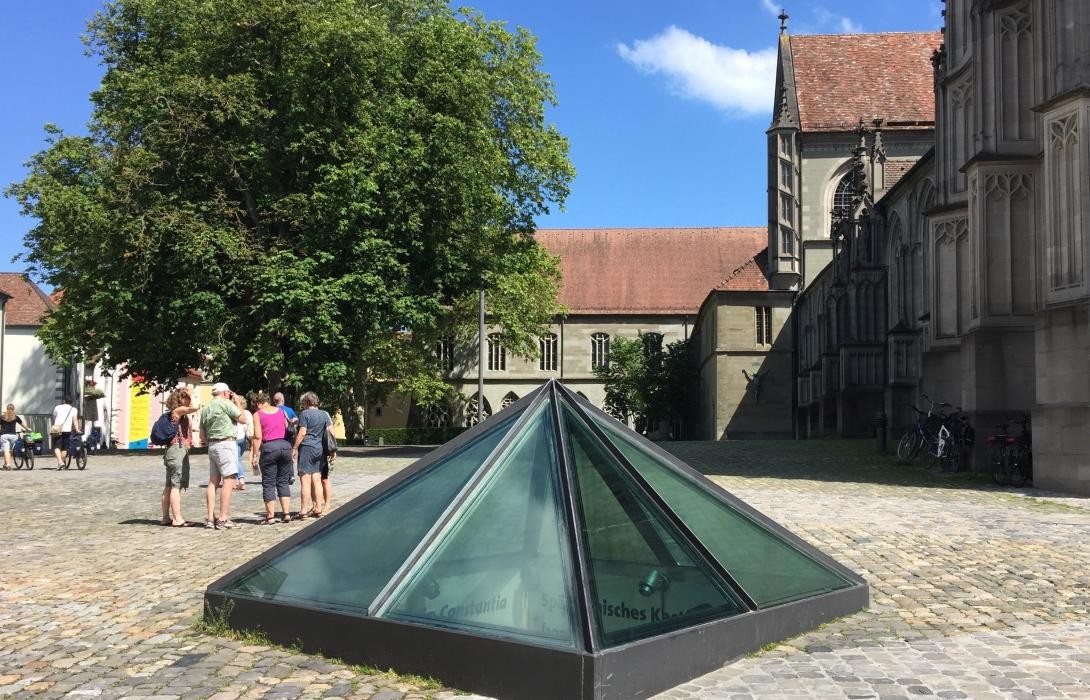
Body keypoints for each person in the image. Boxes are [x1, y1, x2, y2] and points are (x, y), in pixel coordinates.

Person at [199, 382, 249, 529]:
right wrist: (238, 402)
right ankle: (223, 518)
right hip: (226, 444)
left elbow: (202, 435)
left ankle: (210, 518)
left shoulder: (206, 408)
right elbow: (243, 419)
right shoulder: (226, 404)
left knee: (213, 481)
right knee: (229, 480)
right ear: (226, 392)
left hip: (212, 445)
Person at [250, 392, 293, 523]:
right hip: (285, 447)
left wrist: (255, 455)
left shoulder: (257, 415)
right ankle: (286, 514)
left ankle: (270, 516)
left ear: (258, 403)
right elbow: (287, 428)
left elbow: (258, 437)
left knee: (268, 482)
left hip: (269, 448)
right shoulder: (281, 411)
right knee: (283, 480)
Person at [160, 388, 200, 526]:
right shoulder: (178, 411)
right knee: (175, 485)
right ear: (180, 399)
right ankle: (177, 519)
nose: (189, 400)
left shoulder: (176, 413)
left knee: (169, 486)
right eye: (186, 397)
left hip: (172, 451)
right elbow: (195, 407)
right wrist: (192, 394)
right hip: (177, 451)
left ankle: (165, 517)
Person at [293, 391, 331, 518]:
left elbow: (302, 432)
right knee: (317, 480)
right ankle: (318, 507)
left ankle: (303, 510)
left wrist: (294, 447)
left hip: (307, 448)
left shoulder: (305, 414)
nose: (302, 405)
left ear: (307, 402)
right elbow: (330, 433)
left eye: (303, 402)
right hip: (319, 448)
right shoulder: (324, 415)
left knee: (305, 481)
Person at [51, 395, 80, 470]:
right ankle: (61, 462)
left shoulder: (57, 407)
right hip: (67, 430)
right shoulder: (73, 409)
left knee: (56, 446)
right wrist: (77, 429)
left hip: (57, 429)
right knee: (65, 448)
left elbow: (54, 417)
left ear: (64, 401)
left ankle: (60, 462)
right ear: (71, 402)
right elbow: (75, 420)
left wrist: (56, 424)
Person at [233, 393, 252, 490]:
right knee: (237, 459)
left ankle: (241, 480)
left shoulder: (233, 412)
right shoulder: (247, 413)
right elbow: (249, 425)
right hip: (244, 439)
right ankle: (235, 480)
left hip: (235, 438)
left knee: (236, 460)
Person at [1, 404, 26, 470]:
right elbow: (22, 424)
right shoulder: (15, 417)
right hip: (13, 436)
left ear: (7, 409)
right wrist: (27, 428)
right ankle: (5, 464)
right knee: (9, 451)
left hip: (4, 436)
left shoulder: (2, 417)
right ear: (13, 409)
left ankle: (8, 465)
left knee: (6, 450)